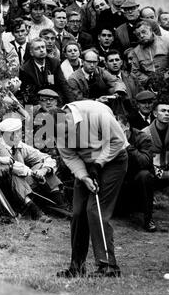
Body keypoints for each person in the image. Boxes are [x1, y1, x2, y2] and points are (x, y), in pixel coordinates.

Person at [51, 100, 128, 277]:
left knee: (95, 210)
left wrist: (99, 164)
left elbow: (117, 141)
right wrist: (84, 177)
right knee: (78, 213)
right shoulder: (56, 126)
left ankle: (108, 266)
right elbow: (69, 156)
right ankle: (77, 266)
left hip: (113, 160)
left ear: (69, 116)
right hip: (86, 165)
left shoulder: (97, 113)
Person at [0, 117, 66, 220]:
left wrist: (43, 170)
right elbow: (14, 167)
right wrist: (32, 173)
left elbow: (46, 157)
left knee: (44, 166)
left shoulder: (20, 146)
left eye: (19, 131)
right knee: (15, 175)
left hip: (24, 184)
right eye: (16, 132)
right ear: (6, 134)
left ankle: (61, 206)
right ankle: (36, 212)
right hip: (7, 189)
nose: (20, 134)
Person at [116, 114, 156, 232]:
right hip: (118, 182)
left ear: (127, 126)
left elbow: (145, 162)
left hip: (135, 181)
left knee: (145, 175)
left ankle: (148, 218)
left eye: (118, 128)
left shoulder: (143, 138)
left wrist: (127, 146)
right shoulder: (108, 138)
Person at [19, 37, 73, 105]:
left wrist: (72, 104)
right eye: (37, 48)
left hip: (54, 99)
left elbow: (63, 84)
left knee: (61, 113)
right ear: (31, 53)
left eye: (43, 47)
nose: (41, 50)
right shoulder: (25, 69)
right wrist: (44, 105)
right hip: (36, 103)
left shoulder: (54, 63)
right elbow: (28, 94)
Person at [131, 20, 169, 92]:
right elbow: (135, 71)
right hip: (149, 87)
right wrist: (148, 80)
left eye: (144, 32)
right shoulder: (136, 51)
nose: (141, 36)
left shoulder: (168, 42)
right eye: (138, 34)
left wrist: (166, 77)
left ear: (151, 30)